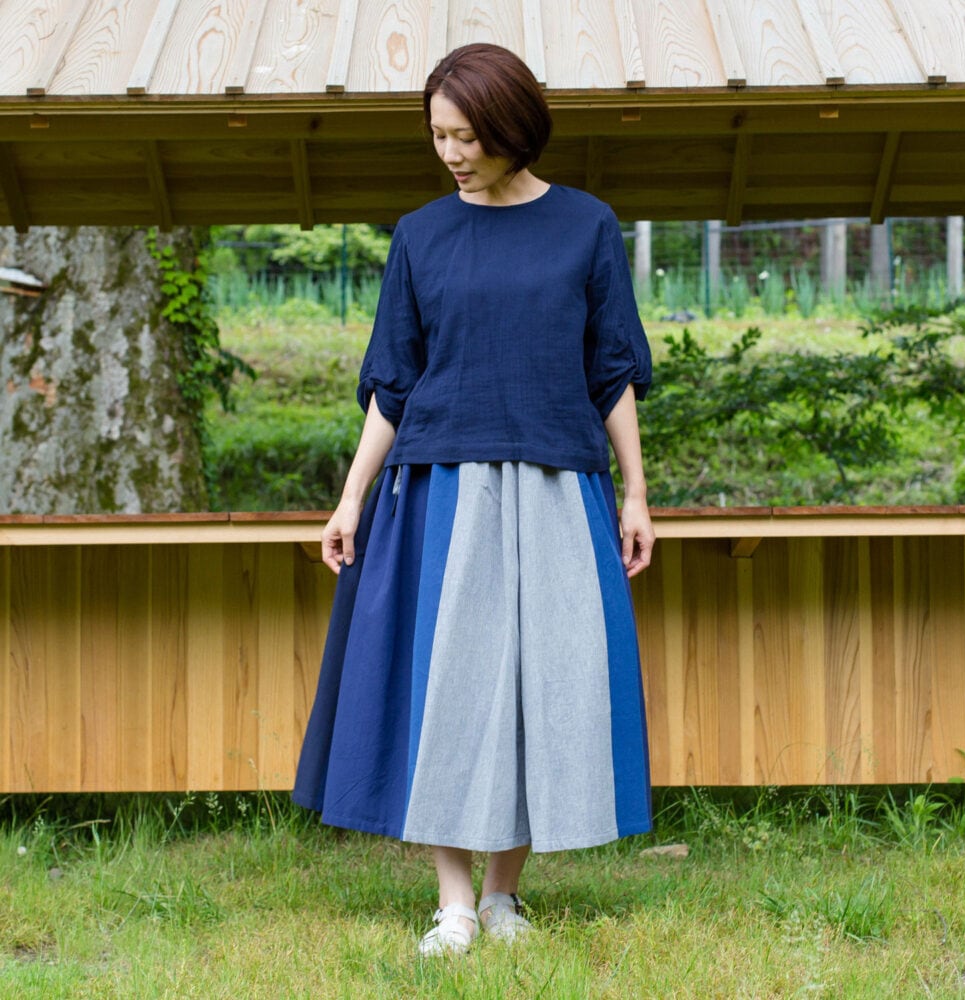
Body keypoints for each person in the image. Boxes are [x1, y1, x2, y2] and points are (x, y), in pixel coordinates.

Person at [292, 42, 654, 957]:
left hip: (557, 484)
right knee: (449, 689)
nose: (452, 154)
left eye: (468, 136)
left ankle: (502, 896)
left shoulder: (586, 226)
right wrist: (349, 498)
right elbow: (393, 384)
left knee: (540, 690)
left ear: (513, 128)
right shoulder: (420, 235)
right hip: (441, 490)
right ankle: (453, 904)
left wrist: (638, 494)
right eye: (439, 136)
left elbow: (612, 373)